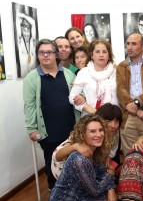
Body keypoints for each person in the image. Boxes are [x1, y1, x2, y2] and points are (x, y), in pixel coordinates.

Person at [48, 114, 117, 201]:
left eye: (101, 130)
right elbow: (96, 190)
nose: (99, 134)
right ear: (82, 135)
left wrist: (110, 186)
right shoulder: (79, 159)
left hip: (76, 198)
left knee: (110, 195)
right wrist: (111, 173)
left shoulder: (94, 151)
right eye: (92, 131)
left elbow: (103, 172)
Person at [23, 39, 80, 190]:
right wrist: (31, 129)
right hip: (48, 131)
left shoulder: (69, 75)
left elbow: (78, 100)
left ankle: (73, 192)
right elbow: (29, 106)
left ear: (56, 54)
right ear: (38, 55)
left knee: (72, 161)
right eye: (42, 52)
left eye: (49, 52)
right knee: (52, 163)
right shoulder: (31, 79)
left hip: (70, 128)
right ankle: (55, 193)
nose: (45, 55)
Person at [51, 103, 122, 180]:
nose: (113, 125)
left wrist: (107, 165)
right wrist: (76, 146)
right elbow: (57, 156)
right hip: (63, 170)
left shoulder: (114, 135)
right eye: (108, 121)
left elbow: (110, 153)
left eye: (116, 121)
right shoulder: (82, 133)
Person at [69, 39, 119, 116]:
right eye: (97, 52)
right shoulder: (84, 72)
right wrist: (89, 109)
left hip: (113, 120)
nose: (101, 55)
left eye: (104, 52)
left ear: (109, 55)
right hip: (90, 119)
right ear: (91, 55)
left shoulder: (116, 73)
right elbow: (72, 97)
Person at [17, 12, 37, 78]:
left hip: (34, 78)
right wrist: (19, 18)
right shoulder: (20, 42)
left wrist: (23, 15)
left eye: (28, 30)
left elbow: (33, 23)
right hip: (23, 79)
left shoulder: (32, 43)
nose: (26, 34)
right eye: (24, 31)